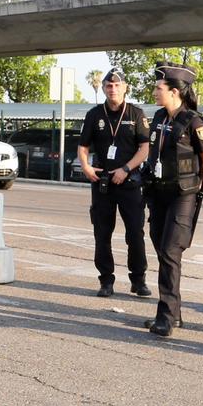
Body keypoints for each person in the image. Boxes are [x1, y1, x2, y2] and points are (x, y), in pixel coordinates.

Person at [141, 64, 203, 337]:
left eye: (158, 88)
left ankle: (166, 317)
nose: (154, 92)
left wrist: (196, 188)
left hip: (183, 195)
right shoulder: (159, 117)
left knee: (171, 251)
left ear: (175, 92)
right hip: (158, 192)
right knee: (162, 249)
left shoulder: (193, 121)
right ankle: (175, 312)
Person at [76, 70, 151, 298]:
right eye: (109, 86)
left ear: (125, 87)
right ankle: (106, 280)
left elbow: (145, 148)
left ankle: (138, 280)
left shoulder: (136, 114)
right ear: (103, 88)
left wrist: (126, 169)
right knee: (102, 234)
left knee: (135, 233)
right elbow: (83, 146)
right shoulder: (94, 114)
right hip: (103, 183)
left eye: (117, 85)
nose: (113, 89)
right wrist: (86, 167)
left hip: (129, 182)